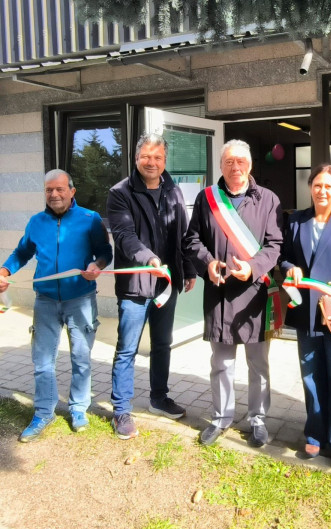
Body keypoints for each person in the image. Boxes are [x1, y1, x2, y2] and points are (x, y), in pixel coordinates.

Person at [0, 170, 112, 441]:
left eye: (60, 189)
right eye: (49, 190)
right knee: (42, 362)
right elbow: (22, 252)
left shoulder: (90, 219)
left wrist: (96, 266)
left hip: (81, 300)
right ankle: (43, 412)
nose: (54, 194)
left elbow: (105, 252)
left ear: (72, 191)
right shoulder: (36, 222)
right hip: (46, 302)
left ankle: (78, 409)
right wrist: (4, 272)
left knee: (81, 359)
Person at [185, 139, 283, 448]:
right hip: (220, 294)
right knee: (222, 362)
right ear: (221, 166)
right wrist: (208, 263)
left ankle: (257, 419)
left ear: (250, 165)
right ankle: (221, 417)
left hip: (255, 295)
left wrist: (253, 268)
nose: (235, 166)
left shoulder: (268, 199)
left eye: (241, 161)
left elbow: (275, 245)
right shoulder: (206, 199)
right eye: (229, 161)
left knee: (258, 363)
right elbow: (192, 240)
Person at [106, 133, 196, 440]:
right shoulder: (120, 193)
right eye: (146, 156)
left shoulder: (173, 189)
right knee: (127, 348)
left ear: (165, 161)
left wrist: (188, 268)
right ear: (136, 158)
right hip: (134, 283)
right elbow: (124, 235)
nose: (152, 162)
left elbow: (183, 233)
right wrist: (149, 258)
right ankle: (121, 410)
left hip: (165, 285)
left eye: (158, 157)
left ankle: (159, 398)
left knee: (162, 344)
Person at [280, 164, 331, 466]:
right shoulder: (296, 221)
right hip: (306, 313)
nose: (322, 191)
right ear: (310, 187)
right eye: (317, 185)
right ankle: (314, 434)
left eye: (329, 186)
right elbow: (284, 257)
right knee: (311, 376)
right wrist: (290, 269)